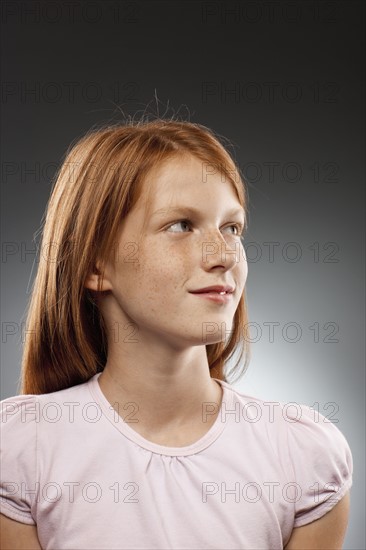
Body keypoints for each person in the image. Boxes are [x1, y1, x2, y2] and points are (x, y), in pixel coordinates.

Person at [0, 117, 353, 549]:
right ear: (96, 265)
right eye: (181, 225)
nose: (224, 255)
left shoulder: (304, 456)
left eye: (232, 228)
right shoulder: (20, 454)